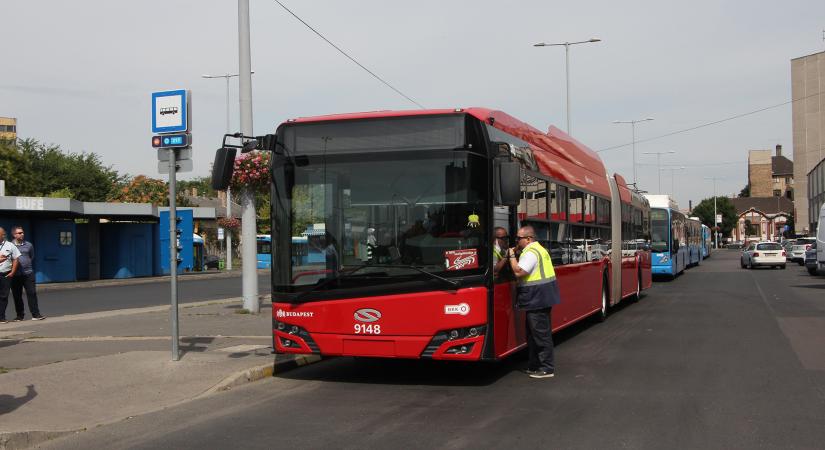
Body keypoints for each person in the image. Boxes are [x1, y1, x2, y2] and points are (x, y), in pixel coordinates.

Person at [506, 225, 561, 379]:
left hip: (537, 298)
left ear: (528, 239)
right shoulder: (538, 249)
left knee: (540, 334)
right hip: (539, 297)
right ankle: (535, 365)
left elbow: (519, 272)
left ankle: (546, 368)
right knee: (533, 334)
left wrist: (511, 256)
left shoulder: (530, 253)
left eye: (519, 238)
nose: (516, 241)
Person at [11, 226, 44, 321]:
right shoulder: (10, 245)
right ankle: (19, 315)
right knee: (17, 295)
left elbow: (31, 256)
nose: (22, 234)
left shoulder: (28, 245)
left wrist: (26, 264)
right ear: (14, 235)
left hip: (28, 273)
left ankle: (36, 314)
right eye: (19, 233)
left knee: (32, 293)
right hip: (15, 275)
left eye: (22, 232)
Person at [0, 227, 21, 324]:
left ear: (3, 235)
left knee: (4, 296)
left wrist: (12, 272)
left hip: (5, 274)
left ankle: (1, 317)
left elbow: (16, 258)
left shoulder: (10, 245)